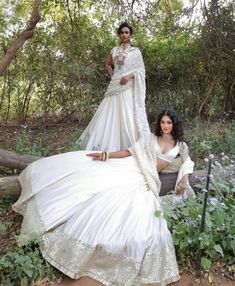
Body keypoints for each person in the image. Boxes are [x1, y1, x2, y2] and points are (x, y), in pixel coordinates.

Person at [13, 109, 194, 286]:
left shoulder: (180, 145)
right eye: (162, 122)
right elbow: (129, 151)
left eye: (168, 122)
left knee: (134, 210)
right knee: (94, 183)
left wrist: (184, 180)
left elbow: (187, 162)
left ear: (174, 124)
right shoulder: (151, 139)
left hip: (147, 179)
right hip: (132, 167)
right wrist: (106, 155)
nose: (165, 126)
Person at [76, 22, 150, 152]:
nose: (124, 34)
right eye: (121, 32)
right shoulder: (114, 50)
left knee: (127, 114)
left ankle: (130, 148)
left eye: (126, 32)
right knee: (108, 112)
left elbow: (141, 70)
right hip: (114, 85)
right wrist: (113, 75)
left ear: (130, 35)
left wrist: (129, 76)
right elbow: (107, 64)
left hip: (127, 87)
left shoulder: (135, 51)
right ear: (119, 35)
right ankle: (102, 146)